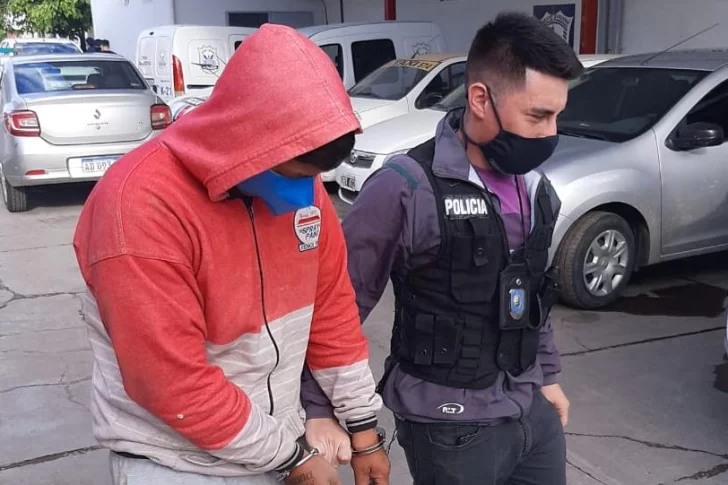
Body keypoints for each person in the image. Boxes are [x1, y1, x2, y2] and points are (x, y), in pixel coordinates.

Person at [73, 24, 390, 485]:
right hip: (177, 464)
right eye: (294, 174)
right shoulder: (137, 208)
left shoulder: (302, 190)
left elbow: (331, 313)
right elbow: (172, 383)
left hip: (277, 444)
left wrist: (363, 428)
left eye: (314, 178)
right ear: (246, 141)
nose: (307, 195)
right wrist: (291, 458)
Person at [301, 11, 583, 485]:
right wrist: (318, 407)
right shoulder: (406, 187)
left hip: (529, 408)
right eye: (537, 116)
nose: (549, 133)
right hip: (450, 426)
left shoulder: (535, 189)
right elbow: (338, 303)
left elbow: (533, 296)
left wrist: (548, 375)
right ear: (480, 99)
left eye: (557, 116)